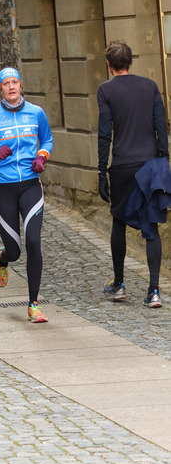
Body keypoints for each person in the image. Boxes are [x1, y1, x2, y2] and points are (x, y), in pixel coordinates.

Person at [0, 67, 53, 323]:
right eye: (6, 83)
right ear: (1, 89)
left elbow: (47, 140)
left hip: (30, 185)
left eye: (15, 82)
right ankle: (3, 258)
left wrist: (42, 157)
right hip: (2, 187)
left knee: (34, 241)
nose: (12, 87)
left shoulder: (36, 113)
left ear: (20, 85)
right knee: (15, 251)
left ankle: (33, 305)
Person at [97, 40, 170, 308]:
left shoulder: (105, 90)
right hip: (150, 164)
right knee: (151, 226)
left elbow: (105, 134)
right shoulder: (150, 86)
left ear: (109, 65)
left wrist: (101, 170)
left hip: (123, 165)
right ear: (130, 62)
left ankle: (119, 284)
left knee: (118, 220)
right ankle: (154, 291)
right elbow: (161, 126)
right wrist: (164, 160)